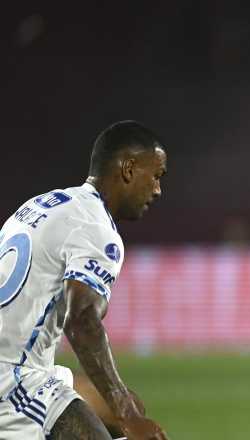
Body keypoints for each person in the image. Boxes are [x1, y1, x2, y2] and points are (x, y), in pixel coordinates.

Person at [0, 121, 168, 440]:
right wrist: (127, 415)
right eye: (156, 176)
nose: (158, 190)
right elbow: (81, 321)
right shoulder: (95, 229)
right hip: (13, 380)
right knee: (127, 416)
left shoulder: (43, 205)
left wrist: (127, 411)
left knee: (130, 407)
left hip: (28, 367)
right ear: (129, 169)